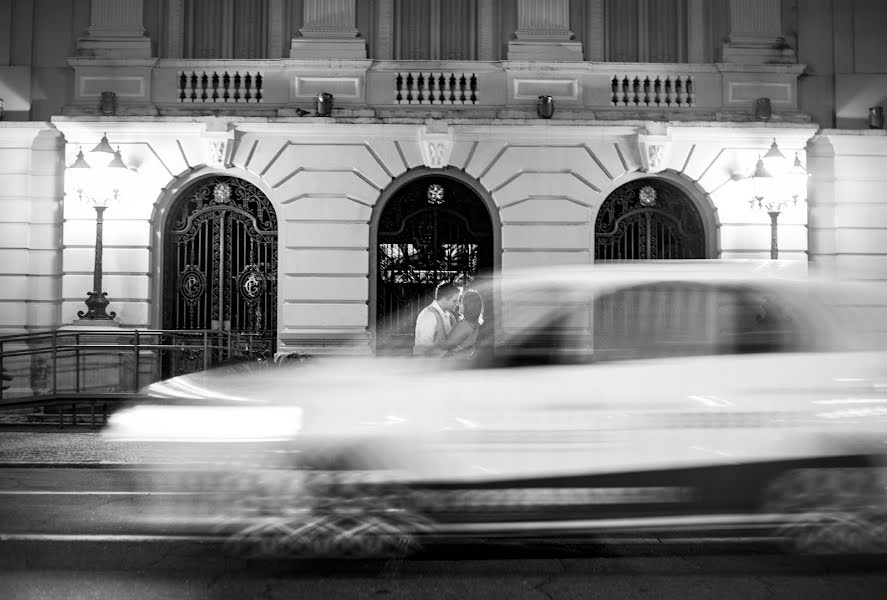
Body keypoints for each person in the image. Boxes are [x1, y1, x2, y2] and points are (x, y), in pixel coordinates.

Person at [413, 281, 460, 357]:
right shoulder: (429, 315)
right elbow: (424, 348)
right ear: (444, 299)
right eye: (454, 300)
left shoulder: (448, 314)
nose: (457, 303)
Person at [439, 289, 484, 359]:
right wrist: (452, 318)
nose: (458, 304)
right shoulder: (474, 322)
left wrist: (439, 319)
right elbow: (458, 336)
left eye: (461, 302)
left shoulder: (465, 325)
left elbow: (444, 345)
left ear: (469, 305)